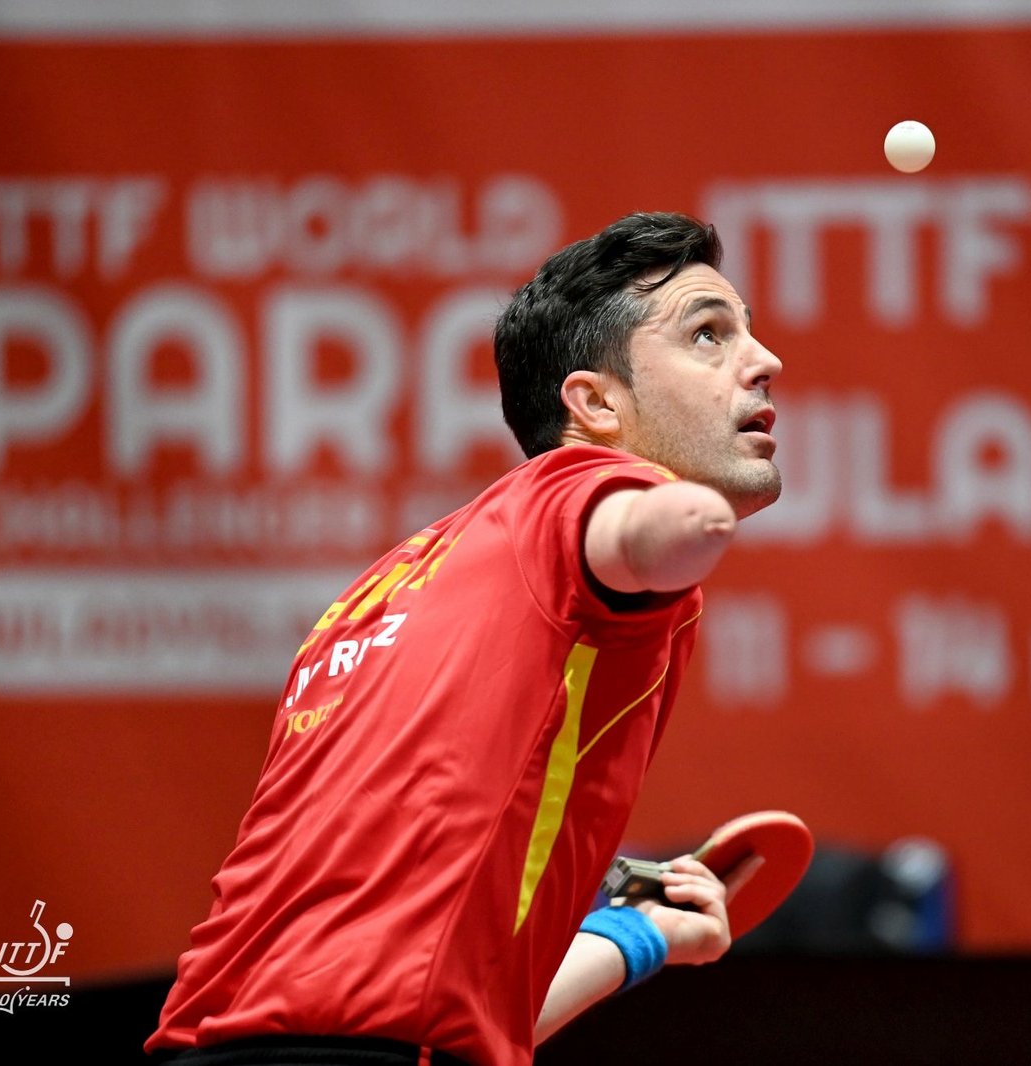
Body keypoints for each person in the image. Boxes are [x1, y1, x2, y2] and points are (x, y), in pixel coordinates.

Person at [146, 211, 785, 1064]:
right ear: (596, 404)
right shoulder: (576, 493)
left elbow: (465, 1011)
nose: (764, 360)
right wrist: (685, 518)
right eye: (708, 334)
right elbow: (633, 529)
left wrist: (638, 939)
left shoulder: (376, 593)